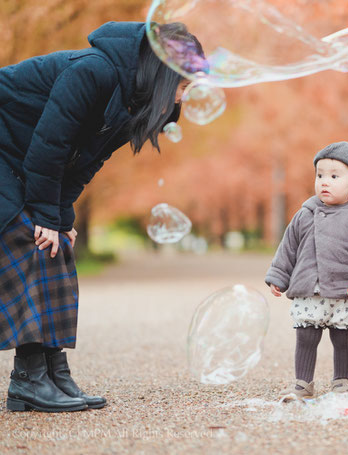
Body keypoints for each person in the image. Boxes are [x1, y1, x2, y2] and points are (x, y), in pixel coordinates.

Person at [0, 21, 205, 412]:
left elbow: (81, 166)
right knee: (28, 236)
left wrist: (61, 217)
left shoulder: (128, 102)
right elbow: (50, 146)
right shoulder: (95, 71)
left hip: (23, 157)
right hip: (9, 147)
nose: (181, 100)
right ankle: (27, 378)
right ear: (162, 75)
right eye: (182, 87)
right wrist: (45, 214)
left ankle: (53, 372)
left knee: (55, 245)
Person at [265, 141, 348, 402]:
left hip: (346, 292)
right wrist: (279, 276)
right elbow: (288, 248)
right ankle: (302, 384)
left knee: (343, 337)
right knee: (306, 335)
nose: (325, 182)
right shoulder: (305, 214)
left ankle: (342, 382)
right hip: (310, 289)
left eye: (335, 176)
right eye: (320, 175)